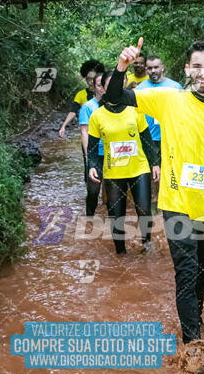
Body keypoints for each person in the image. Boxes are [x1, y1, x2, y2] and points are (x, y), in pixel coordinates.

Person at [105, 37, 204, 374]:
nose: (202, 72)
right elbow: (114, 97)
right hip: (177, 206)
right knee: (185, 273)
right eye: (196, 66)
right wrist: (122, 66)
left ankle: (193, 323)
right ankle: (192, 352)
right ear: (187, 70)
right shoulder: (169, 99)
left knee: (199, 277)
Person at [87, 71, 160, 255]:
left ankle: (147, 244)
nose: (115, 88)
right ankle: (120, 252)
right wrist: (92, 167)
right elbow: (93, 148)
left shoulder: (136, 110)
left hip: (139, 169)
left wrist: (155, 163)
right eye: (110, 85)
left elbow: (147, 140)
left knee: (144, 209)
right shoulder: (97, 116)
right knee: (116, 216)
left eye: (119, 84)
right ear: (103, 88)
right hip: (113, 173)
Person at [137, 55, 182, 213]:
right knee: (151, 174)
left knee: (172, 172)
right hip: (148, 138)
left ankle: (170, 206)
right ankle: (154, 207)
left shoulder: (176, 87)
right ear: (146, 69)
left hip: (170, 137)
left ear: (162, 67)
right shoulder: (140, 89)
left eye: (156, 67)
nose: (153, 71)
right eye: (149, 68)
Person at [79, 70, 107, 216]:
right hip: (95, 152)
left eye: (104, 85)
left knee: (113, 190)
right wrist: (88, 158)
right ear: (94, 87)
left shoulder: (116, 105)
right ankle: (89, 217)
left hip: (113, 153)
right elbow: (85, 132)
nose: (102, 88)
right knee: (94, 189)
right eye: (99, 85)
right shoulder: (88, 107)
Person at [58, 60, 105, 138]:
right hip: (87, 132)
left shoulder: (105, 93)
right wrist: (63, 126)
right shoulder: (80, 95)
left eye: (93, 79)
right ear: (85, 78)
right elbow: (73, 111)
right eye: (88, 79)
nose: (90, 82)